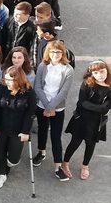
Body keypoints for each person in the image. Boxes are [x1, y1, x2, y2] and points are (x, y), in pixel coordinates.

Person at [0, 66, 36, 189]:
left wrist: (25, 131)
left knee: (13, 158)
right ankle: (1, 174)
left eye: (10, 80)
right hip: (2, 127)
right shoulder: (1, 88)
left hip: (18, 129)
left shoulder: (29, 92)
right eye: (6, 79)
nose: (7, 82)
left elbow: (30, 113)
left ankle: (9, 164)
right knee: (0, 151)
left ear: (18, 80)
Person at [62, 60, 111, 181]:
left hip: (97, 123)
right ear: (91, 74)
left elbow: (106, 108)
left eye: (102, 71)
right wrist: (99, 108)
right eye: (96, 72)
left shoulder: (109, 88)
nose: (100, 74)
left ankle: (85, 166)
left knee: (90, 144)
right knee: (75, 142)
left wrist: (97, 108)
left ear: (107, 71)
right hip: (81, 119)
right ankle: (65, 163)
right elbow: (82, 102)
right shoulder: (87, 83)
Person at [32, 41, 74, 180]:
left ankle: (57, 167)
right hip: (42, 105)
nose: (55, 55)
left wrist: (51, 107)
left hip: (57, 108)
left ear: (62, 53)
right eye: (52, 52)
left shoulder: (68, 70)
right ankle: (41, 152)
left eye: (58, 52)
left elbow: (64, 93)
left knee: (56, 137)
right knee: (42, 130)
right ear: (47, 53)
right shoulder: (43, 66)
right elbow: (37, 87)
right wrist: (46, 105)